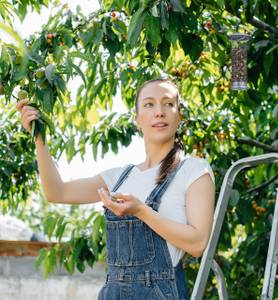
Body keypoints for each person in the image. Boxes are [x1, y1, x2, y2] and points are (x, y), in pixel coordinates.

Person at [16, 77, 215, 300]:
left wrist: (141, 211)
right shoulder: (120, 177)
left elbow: (198, 244)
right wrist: (39, 138)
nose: (159, 112)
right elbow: (57, 192)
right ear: (137, 119)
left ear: (179, 116)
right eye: (149, 104)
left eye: (168, 104)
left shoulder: (193, 170)